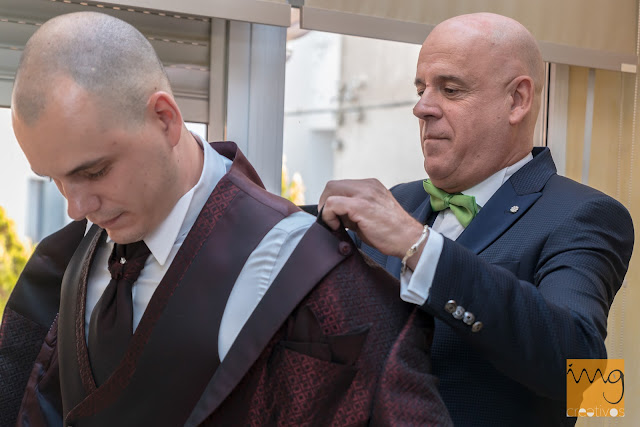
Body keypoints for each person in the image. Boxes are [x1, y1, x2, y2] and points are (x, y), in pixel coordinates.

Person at [0, 12, 452, 426]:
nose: (75, 208)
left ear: (165, 118)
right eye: (55, 180)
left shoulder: (314, 277)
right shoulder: (62, 262)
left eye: (94, 171)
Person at [319, 12, 634, 426]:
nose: (421, 108)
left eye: (450, 89)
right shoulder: (399, 201)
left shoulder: (587, 215)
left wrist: (423, 250)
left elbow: (587, 382)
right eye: (421, 89)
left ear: (517, 100)